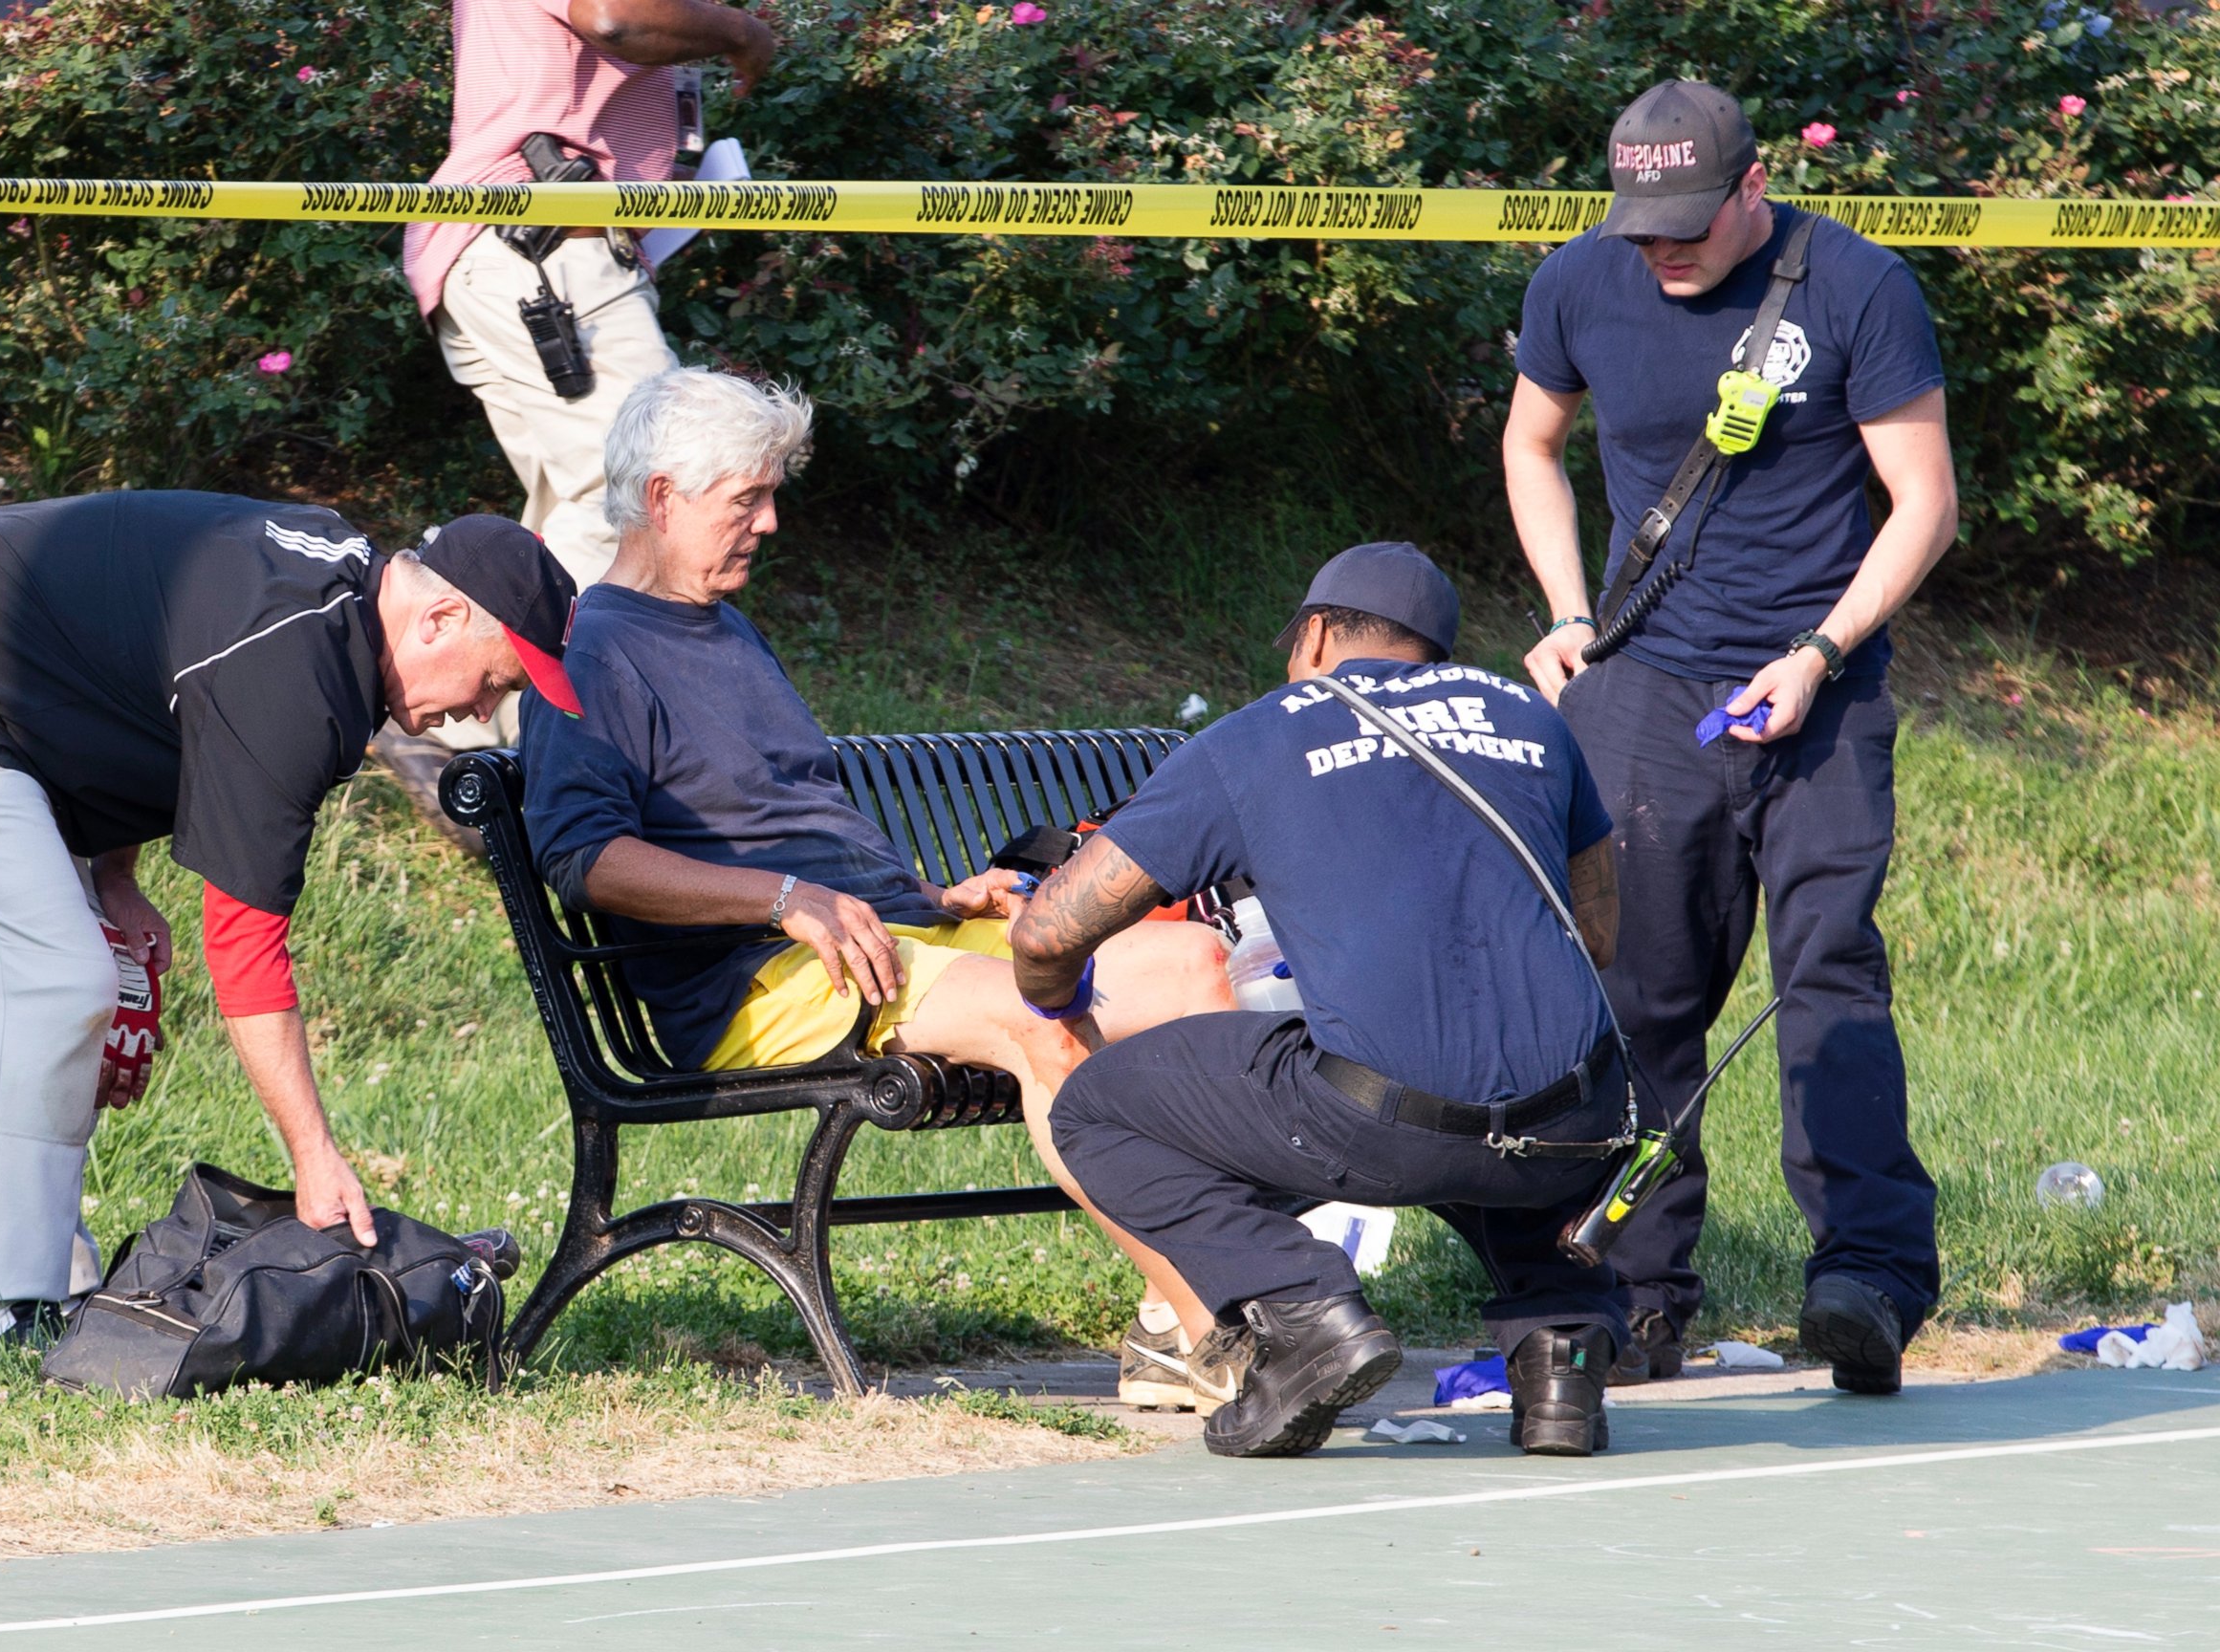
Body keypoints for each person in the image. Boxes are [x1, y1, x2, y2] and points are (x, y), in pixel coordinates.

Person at [516, 367, 1239, 1386]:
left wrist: (935, 898)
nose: (770, 523)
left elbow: (786, 821)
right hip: (757, 979)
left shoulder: (722, 625)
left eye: (772, 496)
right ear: (663, 497)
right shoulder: (590, 651)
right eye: (747, 500)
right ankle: (1227, 1337)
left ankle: (1173, 1316)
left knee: (1193, 966)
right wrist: (781, 901)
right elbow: (586, 859)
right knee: (1037, 1020)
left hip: (872, 938)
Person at [0, 494, 578, 1346]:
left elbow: (144, 682)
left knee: (63, 992)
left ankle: (51, 1290)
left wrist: (115, 876)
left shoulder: (342, 590)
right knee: (55, 987)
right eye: (496, 679)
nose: (478, 711)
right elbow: (244, 948)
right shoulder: (298, 674)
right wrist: (313, 1160)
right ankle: (12, 1310)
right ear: (441, 617)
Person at [1504, 79, 1958, 1394]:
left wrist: (1821, 654)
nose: (1668, 248)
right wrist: (1566, 612)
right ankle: (1640, 1299)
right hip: (1642, 688)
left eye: (1692, 219)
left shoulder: (1859, 289)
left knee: (1827, 977)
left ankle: (1866, 1280)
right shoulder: (1580, 282)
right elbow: (1534, 442)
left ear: (1757, 184)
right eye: (1644, 225)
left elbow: (1922, 501)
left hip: (1822, 687)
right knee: (1641, 999)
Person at [1015, 542, 1633, 1459]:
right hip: (1576, 1125)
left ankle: (1305, 1312)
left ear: (1313, 636)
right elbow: (1600, 933)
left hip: (1382, 1125)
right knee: (1496, 1074)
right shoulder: (1531, 721)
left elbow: (1048, 930)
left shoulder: (1262, 733)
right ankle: (1561, 1354)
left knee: (1098, 1112)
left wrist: (1055, 1008)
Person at [376, 0, 775, 834]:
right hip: (546, 242)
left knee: (575, 515)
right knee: (654, 499)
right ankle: (534, 755)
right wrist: (740, 33)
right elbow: (612, 15)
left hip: (519, 245)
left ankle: (464, 727)